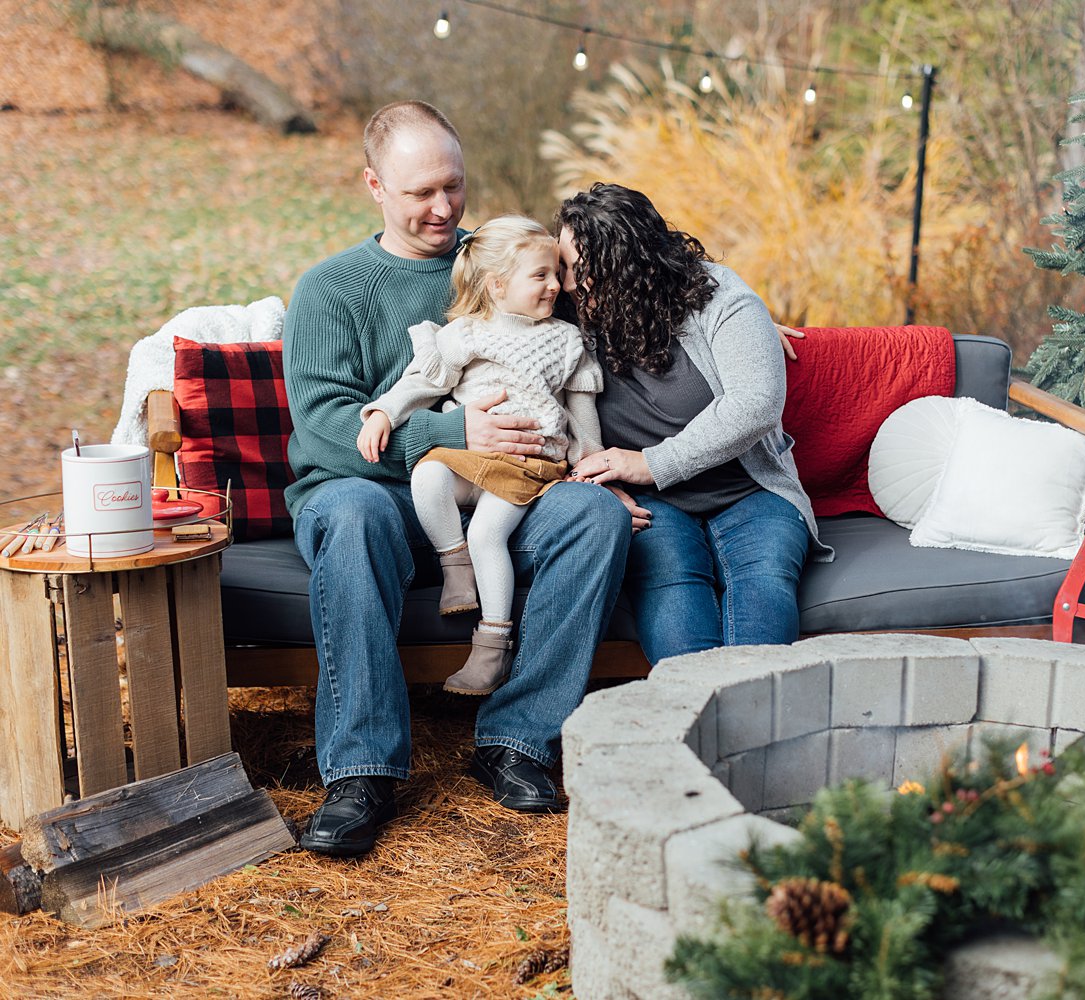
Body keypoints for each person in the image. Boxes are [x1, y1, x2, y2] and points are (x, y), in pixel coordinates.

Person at [283, 102, 637, 857]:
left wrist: (719, 316)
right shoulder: (330, 289)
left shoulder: (501, 259)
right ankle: (361, 771)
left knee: (593, 519)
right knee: (350, 514)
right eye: (420, 194)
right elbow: (321, 430)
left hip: (505, 482)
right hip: (372, 494)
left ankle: (518, 740)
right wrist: (449, 432)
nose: (443, 208)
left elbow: (613, 301)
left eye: (454, 186)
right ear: (374, 185)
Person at [558, 183, 833, 665]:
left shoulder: (719, 297)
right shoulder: (564, 312)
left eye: (582, 273)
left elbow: (756, 403)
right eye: (564, 268)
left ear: (633, 269)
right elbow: (497, 255)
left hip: (751, 492)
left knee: (765, 581)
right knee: (671, 586)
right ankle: (695, 721)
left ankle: (748, 726)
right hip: (652, 505)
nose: (564, 285)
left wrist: (651, 463)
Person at [357, 215, 603, 697]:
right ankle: (456, 566)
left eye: (556, 273)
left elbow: (582, 416)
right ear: (496, 285)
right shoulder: (466, 333)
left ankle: (492, 645)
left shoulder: (567, 339)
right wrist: (384, 412)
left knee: (490, 532)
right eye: (541, 275)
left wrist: (592, 466)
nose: (556, 285)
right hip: (470, 456)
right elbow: (423, 383)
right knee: (427, 475)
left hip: (528, 463)